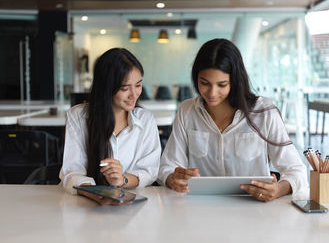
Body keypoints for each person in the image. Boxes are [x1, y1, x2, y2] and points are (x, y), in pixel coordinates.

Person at [158, 39, 307, 202]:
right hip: (200, 209)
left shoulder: (264, 113)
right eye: (204, 83)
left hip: (254, 210)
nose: (212, 93)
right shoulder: (187, 111)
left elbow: (297, 172)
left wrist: (279, 189)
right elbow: (168, 166)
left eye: (222, 85)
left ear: (235, 81)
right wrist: (172, 178)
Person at [60, 48, 161, 205]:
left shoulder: (145, 119)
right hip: (84, 204)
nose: (134, 94)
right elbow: (72, 171)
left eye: (138, 85)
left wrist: (122, 180)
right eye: (124, 88)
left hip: (132, 205)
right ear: (106, 87)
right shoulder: (79, 116)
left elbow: (149, 171)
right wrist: (96, 194)